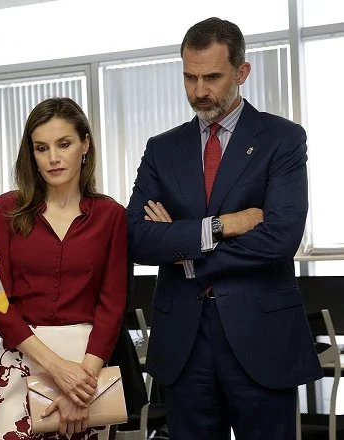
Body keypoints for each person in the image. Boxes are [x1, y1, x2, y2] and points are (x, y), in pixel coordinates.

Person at [126, 17, 322, 440]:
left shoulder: (282, 139)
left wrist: (182, 248)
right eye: (189, 77)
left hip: (260, 337)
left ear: (241, 72)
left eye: (212, 77)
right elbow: (137, 237)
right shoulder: (162, 149)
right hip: (184, 342)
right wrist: (220, 227)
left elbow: (280, 239)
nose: (199, 91)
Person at [0, 97, 127, 439]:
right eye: (41, 147)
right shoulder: (6, 209)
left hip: (87, 367)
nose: (52, 157)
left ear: (85, 145)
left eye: (63, 144)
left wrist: (82, 380)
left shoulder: (111, 216)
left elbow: (112, 306)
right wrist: (57, 370)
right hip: (21, 358)